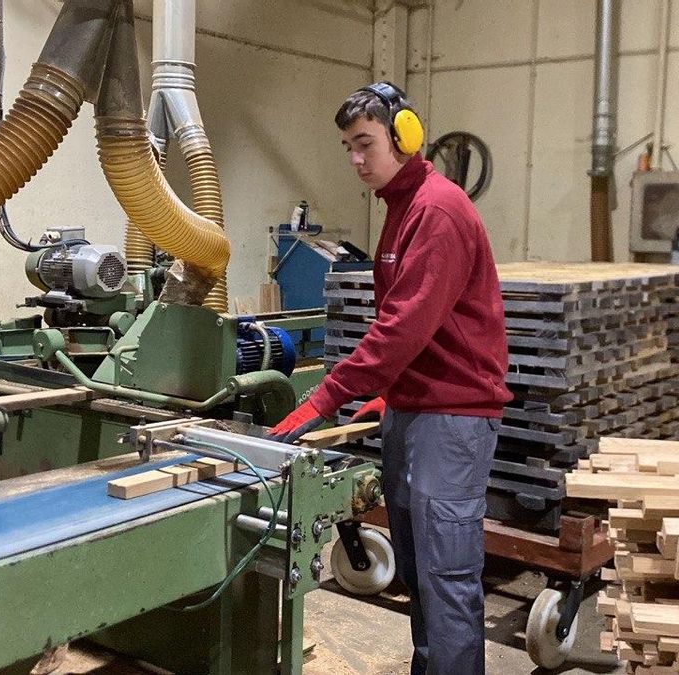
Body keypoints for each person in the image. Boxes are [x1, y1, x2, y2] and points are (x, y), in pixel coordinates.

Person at [267, 82, 511, 675]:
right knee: (419, 571)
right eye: (347, 146)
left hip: (451, 420)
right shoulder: (402, 208)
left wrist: (323, 398)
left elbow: (401, 327)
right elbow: (415, 320)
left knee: (447, 576)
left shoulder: (437, 209)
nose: (355, 159)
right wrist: (387, 390)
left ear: (404, 136)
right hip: (415, 408)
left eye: (365, 143)